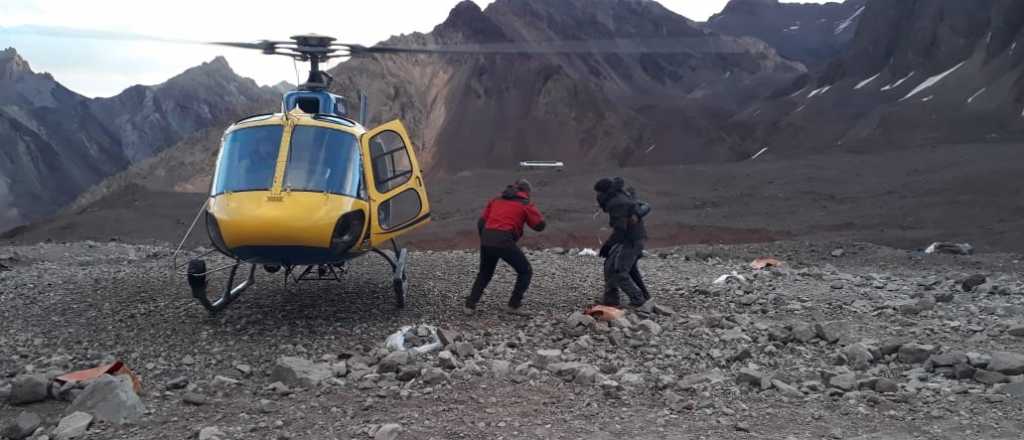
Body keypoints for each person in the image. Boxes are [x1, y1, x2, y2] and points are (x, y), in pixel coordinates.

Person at [465, 179, 546, 316]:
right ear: (526, 192)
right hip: (504, 239)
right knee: (525, 271)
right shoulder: (524, 204)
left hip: (487, 237)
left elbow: (481, 222)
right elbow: (539, 226)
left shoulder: (496, 200)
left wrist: (485, 239)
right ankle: (513, 305)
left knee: (485, 273)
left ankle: (469, 305)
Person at [595, 177, 651, 309]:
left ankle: (638, 300)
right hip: (630, 239)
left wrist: (608, 245)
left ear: (603, 192)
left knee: (619, 271)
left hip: (631, 240)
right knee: (612, 266)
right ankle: (612, 298)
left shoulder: (616, 203)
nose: (597, 196)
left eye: (598, 192)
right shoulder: (619, 197)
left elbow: (620, 229)